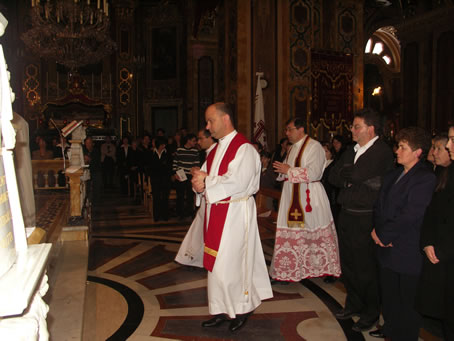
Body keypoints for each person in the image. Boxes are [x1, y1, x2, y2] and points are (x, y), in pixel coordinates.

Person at [191, 102, 273, 332]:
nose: (207, 127)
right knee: (216, 265)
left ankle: (242, 308)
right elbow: (205, 178)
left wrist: (207, 181)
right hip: (216, 212)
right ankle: (220, 309)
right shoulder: (215, 150)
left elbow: (239, 182)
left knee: (234, 263)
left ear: (225, 119)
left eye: (210, 121)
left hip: (236, 214)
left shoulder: (244, 149)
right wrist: (198, 185)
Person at [329, 108, 394, 332]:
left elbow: (353, 175)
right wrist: (352, 176)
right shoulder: (351, 149)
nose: (352, 130)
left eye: (357, 126)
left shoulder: (381, 151)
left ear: (371, 129)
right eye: (353, 126)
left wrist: (351, 176)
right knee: (348, 264)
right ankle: (353, 304)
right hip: (346, 213)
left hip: (366, 217)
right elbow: (333, 175)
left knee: (365, 267)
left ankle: (370, 313)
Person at [371, 127, 436, 340]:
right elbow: (379, 206)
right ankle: (390, 331)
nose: (397, 151)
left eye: (402, 147)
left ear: (418, 152)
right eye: (398, 146)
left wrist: (386, 235)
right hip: (386, 246)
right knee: (389, 297)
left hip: (406, 248)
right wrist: (378, 232)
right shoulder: (393, 174)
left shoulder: (425, 178)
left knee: (407, 302)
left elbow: (411, 214)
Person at [269, 117, 341, 283]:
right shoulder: (293, 148)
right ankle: (289, 270)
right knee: (295, 234)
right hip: (292, 196)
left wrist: (289, 170)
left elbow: (315, 173)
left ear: (300, 129)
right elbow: (288, 170)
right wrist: (282, 172)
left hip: (309, 197)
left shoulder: (314, 146)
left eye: (289, 129)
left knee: (313, 232)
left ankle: (326, 268)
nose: (286, 133)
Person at [416, 125, 454, 341]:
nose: (448, 147)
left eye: (452, 140)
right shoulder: (444, 173)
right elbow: (433, 211)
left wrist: (442, 248)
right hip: (440, 249)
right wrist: (428, 241)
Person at [175, 129, 216, 267]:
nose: (198, 142)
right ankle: (191, 257)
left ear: (209, 138)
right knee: (199, 229)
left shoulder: (216, 152)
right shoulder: (209, 153)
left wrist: (197, 173)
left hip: (211, 199)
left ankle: (195, 258)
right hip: (206, 198)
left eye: (200, 139)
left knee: (201, 230)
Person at [172, 133, 200, 219]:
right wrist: (175, 173)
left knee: (190, 196)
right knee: (180, 195)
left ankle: (189, 212)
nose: (195, 143)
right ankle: (180, 213)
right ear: (188, 140)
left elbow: (197, 164)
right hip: (181, 175)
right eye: (193, 141)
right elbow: (175, 163)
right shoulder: (179, 149)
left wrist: (194, 174)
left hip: (190, 175)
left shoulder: (195, 151)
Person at [150, 136, 172, 221]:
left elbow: (169, 166)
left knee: (165, 198)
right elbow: (150, 166)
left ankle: (165, 216)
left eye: (164, 144)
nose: (164, 146)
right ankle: (156, 216)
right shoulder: (151, 153)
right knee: (156, 197)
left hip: (165, 179)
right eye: (162, 144)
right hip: (155, 179)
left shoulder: (167, 153)